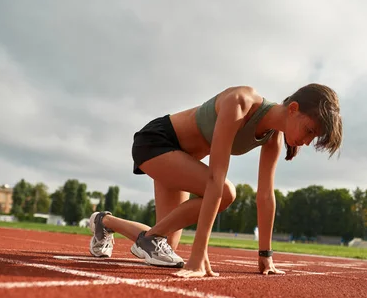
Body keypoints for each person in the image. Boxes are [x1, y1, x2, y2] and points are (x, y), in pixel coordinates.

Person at [88, 84, 343, 278]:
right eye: (310, 130)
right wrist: (198, 256)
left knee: (167, 242)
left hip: (183, 160)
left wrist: (265, 256)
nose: (307, 141)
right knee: (226, 192)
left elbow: (266, 196)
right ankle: (147, 237)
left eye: (314, 138)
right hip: (156, 142)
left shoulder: (274, 138)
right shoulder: (241, 102)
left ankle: (104, 221)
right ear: (293, 108)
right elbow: (214, 178)